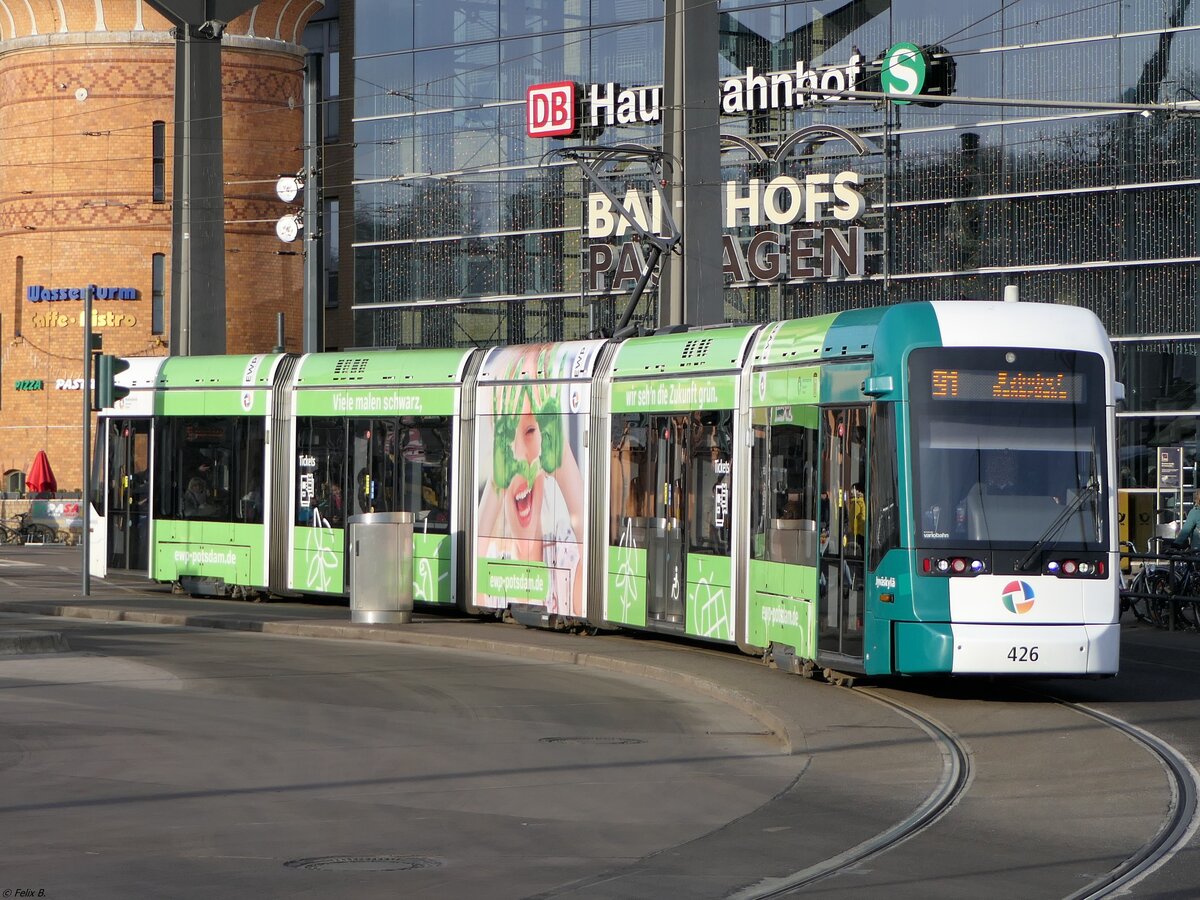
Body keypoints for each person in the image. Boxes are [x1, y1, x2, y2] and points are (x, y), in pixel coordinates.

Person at [477, 347, 584, 617]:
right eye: (505, 437)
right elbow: (469, 586)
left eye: (531, 430)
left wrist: (563, 459)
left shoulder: (567, 550)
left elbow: (590, 601)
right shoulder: (489, 553)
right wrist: (496, 482)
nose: (521, 459)